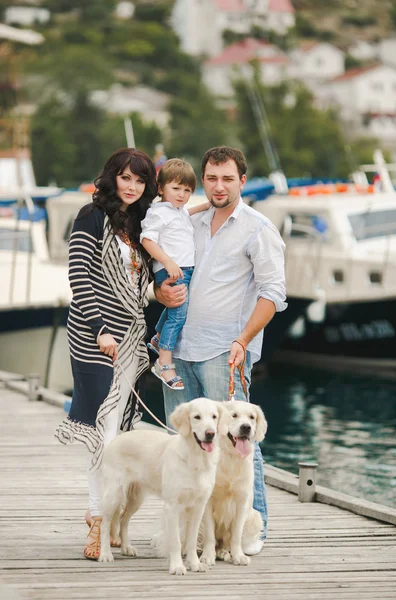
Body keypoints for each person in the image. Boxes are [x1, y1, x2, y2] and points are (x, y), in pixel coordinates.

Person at [155, 146, 287, 555]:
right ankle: (196, 535)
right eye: (211, 178)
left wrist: (243, 340)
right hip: (176, 350)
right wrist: (160, 291)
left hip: (222, 351)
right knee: (184, 442)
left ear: (242, 181)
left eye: (227, 178)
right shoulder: (188, 222)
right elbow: (166, 274)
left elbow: (273, 293)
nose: (218, 185)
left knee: (240, 442)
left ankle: (251, 530)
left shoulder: (259, 229)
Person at [55, 147, 157, 560]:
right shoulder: (90, 216)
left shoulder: (138, 225)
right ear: (112, 176)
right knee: (106, 432)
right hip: (93, 336)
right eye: (125, 177)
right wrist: (99, 329)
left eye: (140, 180)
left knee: (121, 431)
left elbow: (139, 287)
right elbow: (79, 274)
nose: (131, 187)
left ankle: (111, 518)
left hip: (131, 338)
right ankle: (98, 522)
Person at [140, 158, 209, 390]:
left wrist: (207, 205)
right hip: (171, 271)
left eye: (187, 190)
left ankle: (159, 337)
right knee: (179, 315)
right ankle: (164, 363)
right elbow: (147, 239)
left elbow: (186, 214)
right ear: (161, 188)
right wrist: (167, 262)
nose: (182, 194)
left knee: (177, 310)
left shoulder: (176, 211)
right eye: (176, 188)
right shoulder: (159, 212)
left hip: (182, 269)